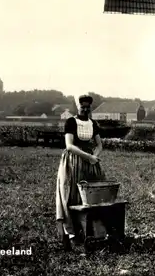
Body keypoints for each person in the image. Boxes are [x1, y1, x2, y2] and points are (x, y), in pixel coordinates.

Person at [55, 95, 105, 251]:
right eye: (82, 106)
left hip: (89, 163)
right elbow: (69, 145)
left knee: (90, 196)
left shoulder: (92, 123)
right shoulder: (71, 122)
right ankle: (71, 236)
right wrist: (87, 156)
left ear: (90, 107)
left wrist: (94, 157)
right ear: (77, 106)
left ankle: (90, 234)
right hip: (73, 162)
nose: (85, 109)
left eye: (87, 107)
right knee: (72, 195)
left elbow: (99, 145)